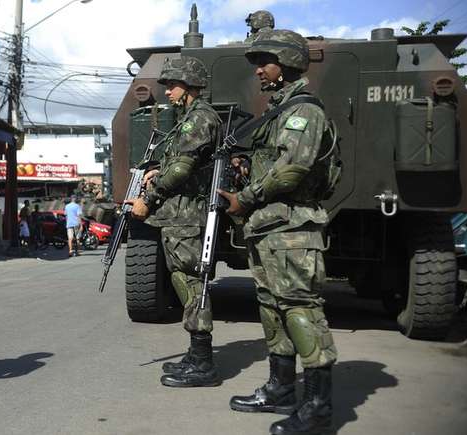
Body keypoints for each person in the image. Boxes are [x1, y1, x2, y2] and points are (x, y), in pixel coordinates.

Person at [218, 30, 338, 435]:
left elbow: (292, 170)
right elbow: (272, 163)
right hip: (269, 227)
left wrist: (245, 197)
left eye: (264, 61)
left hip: (292, 229)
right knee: (272, 308)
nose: (258, 70)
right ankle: (281, 389)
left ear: (285, 63)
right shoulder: (280, 109)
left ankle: (318, 407)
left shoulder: (304, 110)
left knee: (300, 309)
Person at [126, 56, 222, 388]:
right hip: (179, 213)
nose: (167, 92)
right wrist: (158, 171)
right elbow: (179, 164)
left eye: (172, 85)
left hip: (186, 214)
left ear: (190, 85)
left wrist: (148, 200)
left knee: (193, 284)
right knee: (184, 280)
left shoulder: (199, 118)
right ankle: (197, 356)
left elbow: (183, 169)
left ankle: (203, 363)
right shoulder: (190, 118)